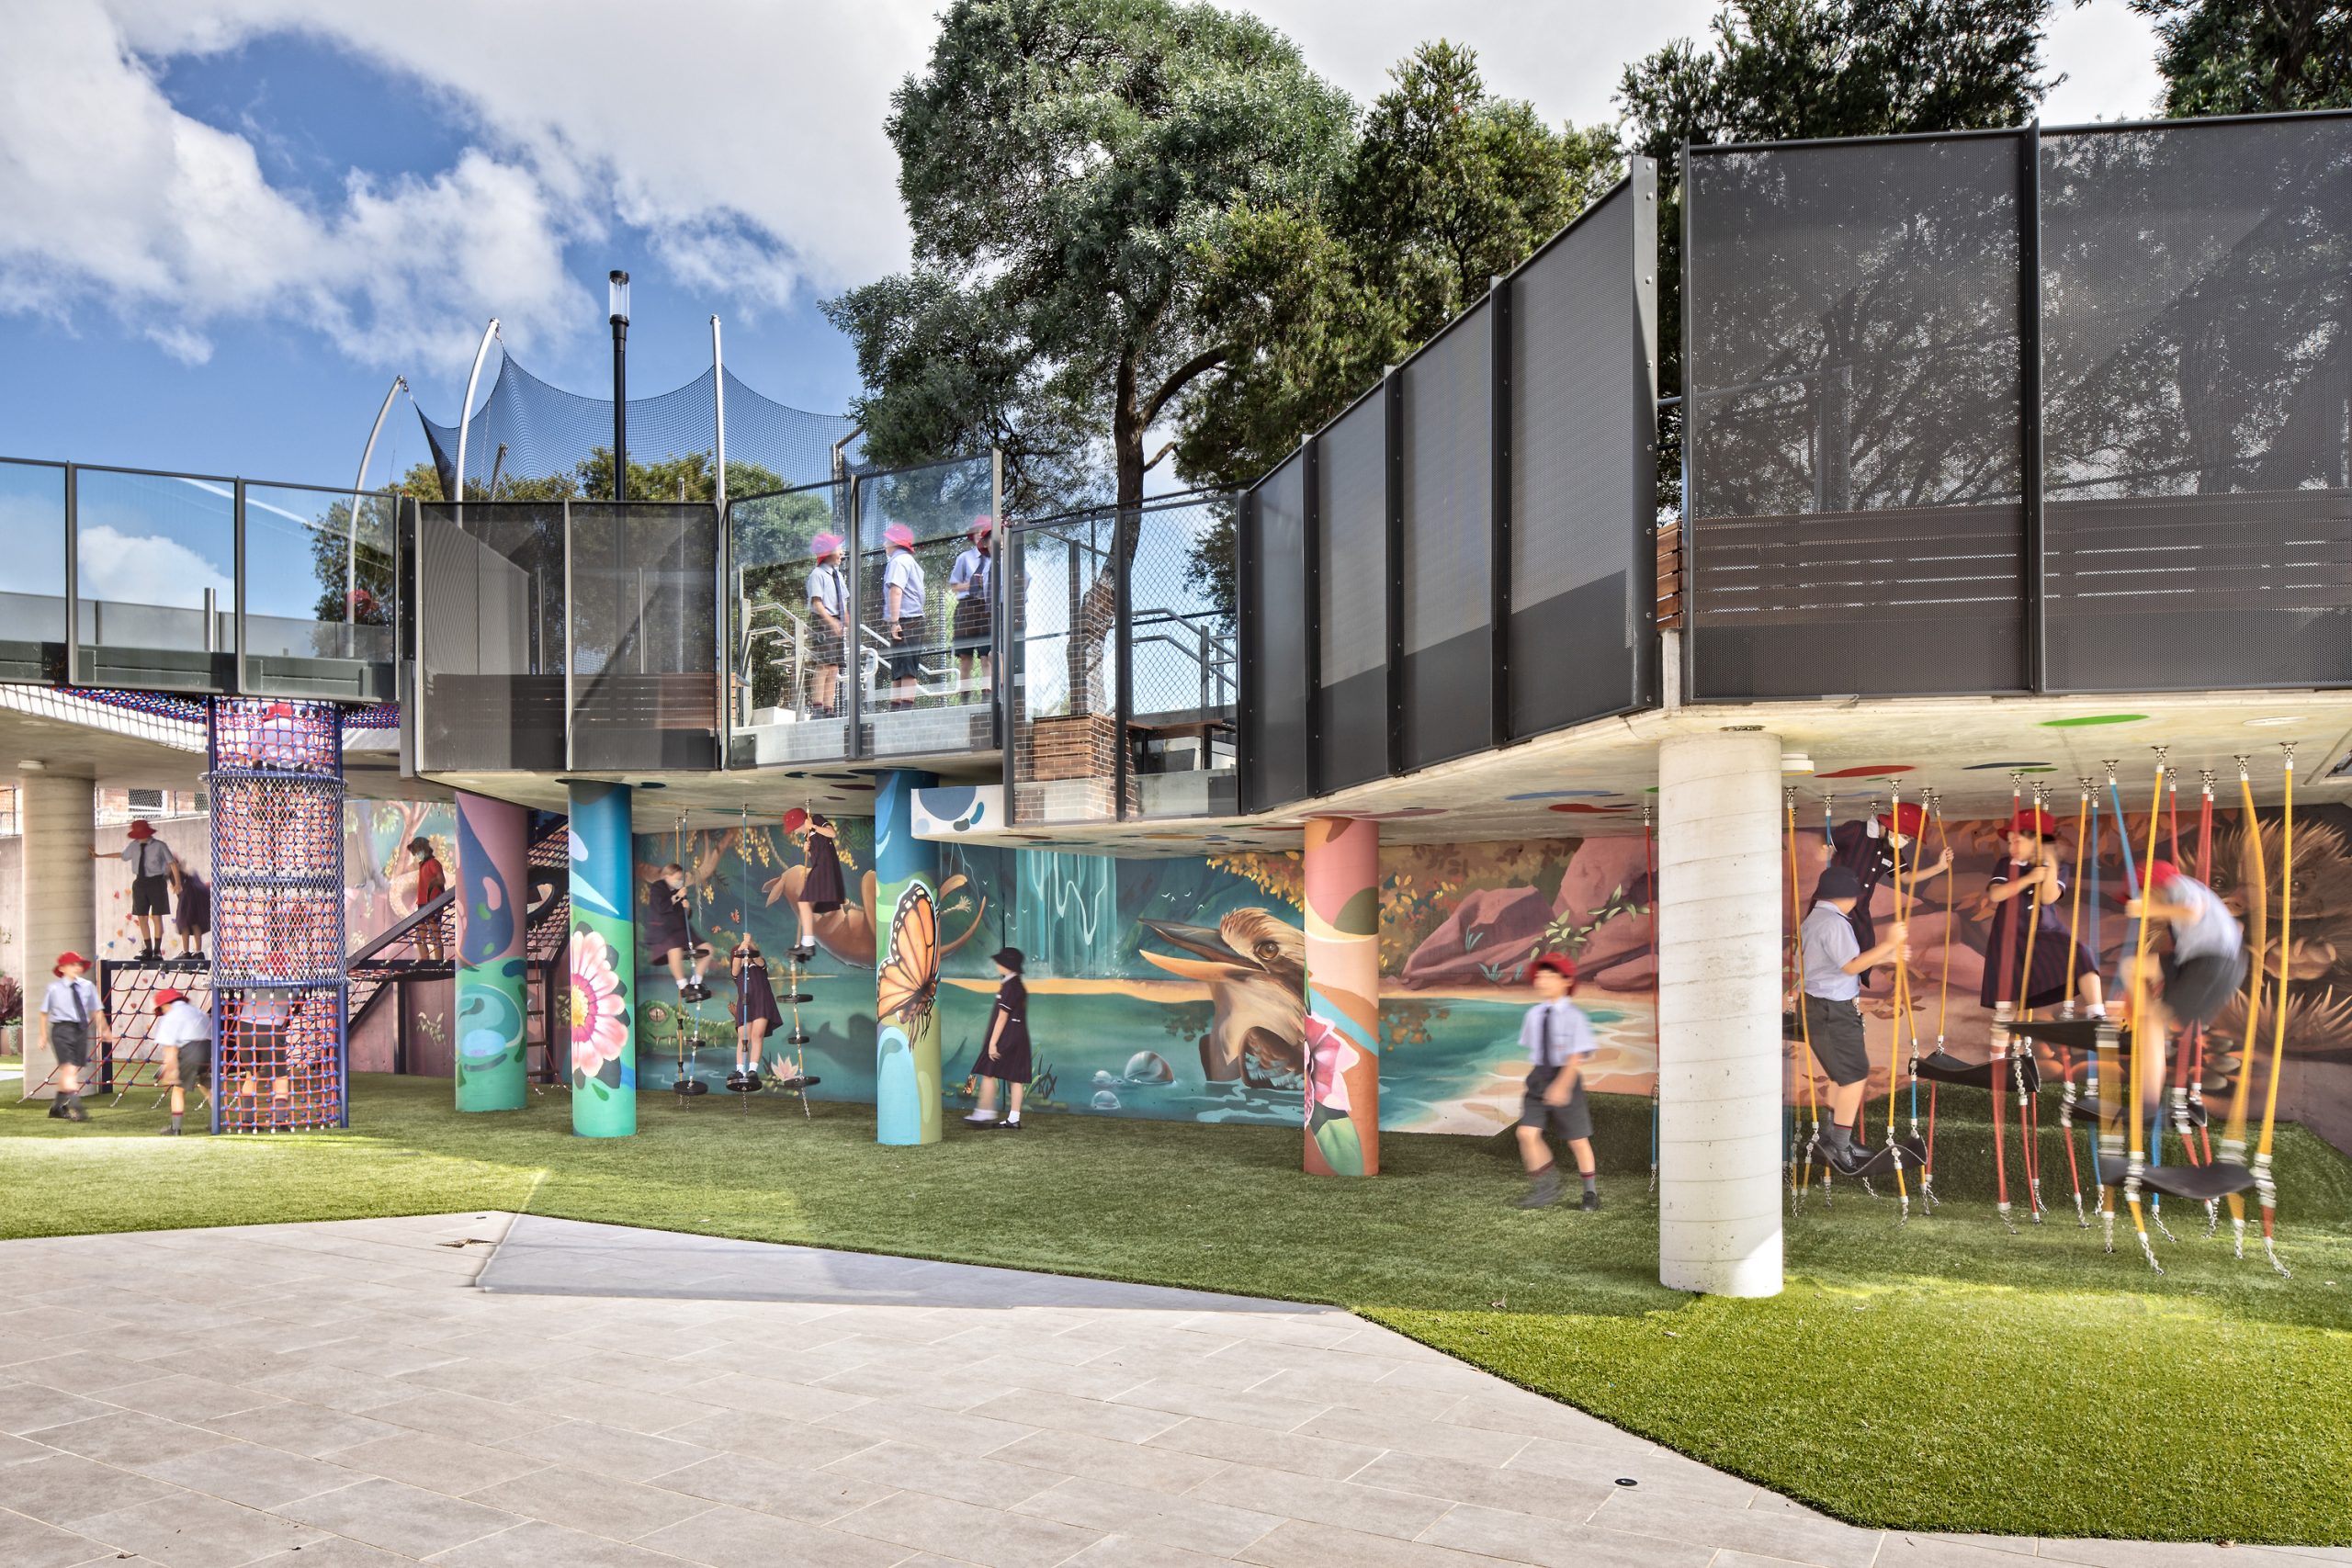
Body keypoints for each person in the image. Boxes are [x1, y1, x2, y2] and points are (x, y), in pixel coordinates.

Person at [1799, 866, 1911, 1173]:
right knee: (1855, 1075)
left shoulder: (1816, 918)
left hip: (1822, 1007)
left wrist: (1887, 956)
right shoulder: (1834, 923)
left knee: (1842, 1075)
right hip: (1833, 1010)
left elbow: (1838, 963)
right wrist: (1888, 945)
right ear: (1845, 896)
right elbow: (1850, 966)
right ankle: (1840, 1144)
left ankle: (1831, 1137)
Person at [1981, 807, 2105, 1017]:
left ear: (2037, 841)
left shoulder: (2058, 867)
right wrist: (2028, 879)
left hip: (2044, 932)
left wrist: (2050, 866)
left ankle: (2097, 1013)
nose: (2012, 847)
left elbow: (2048, 898)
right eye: (2009, 842)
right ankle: (2000, 1039)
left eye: (2017, 841)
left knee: (2082, 954)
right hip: (2009, 936)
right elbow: (1996, 894)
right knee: (2006, 1002)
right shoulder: (2007, 864)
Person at [1815, 803, 1950, 980]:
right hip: (1834, 907)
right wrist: (1824, 851)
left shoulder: (1891, 851)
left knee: (1863, 954)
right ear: (1891, 826)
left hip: (1860, 912)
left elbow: (1906, 877)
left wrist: (1939, 867)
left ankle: (1851, 993)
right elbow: (1824, 844)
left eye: (1909, 840)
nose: (1905, 842)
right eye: (1905, 836)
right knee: (1834, 958)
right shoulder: (1857, 830)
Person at [1511, 954, 1602, 1210]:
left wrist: (1562, 1084)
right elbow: (1537, 1050)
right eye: (1540, 976)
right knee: (1526, 1133)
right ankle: (1547, 1187)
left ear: (1566, 981)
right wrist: (1539, 1079)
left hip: (1566, 1077)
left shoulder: (1574, 1017)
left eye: (1550, 976)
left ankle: (1591, 1193)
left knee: (1577, 1139)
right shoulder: (1534, 1014)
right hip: (1539, 1078)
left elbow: (1576, 1056)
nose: (1543, 981)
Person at [2127, 860, 2246, 1032]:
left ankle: (2147, 1024)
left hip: (2209, 961)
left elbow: (2192, 912)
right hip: (2224, 963)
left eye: (2143, 897)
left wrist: (2148, 909)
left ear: (2152, 889)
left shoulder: (2177, 885)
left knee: (2157, 1018)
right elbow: (2237, 928)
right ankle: (2147, 1020)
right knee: (2132, 968)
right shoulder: (2196, 895)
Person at [964, 946, 1031, 1130]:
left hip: (1006, 1038)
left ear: (1008, 965)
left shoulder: (1010, 986)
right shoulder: (1016, 985)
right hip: (1018, 1037)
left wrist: (992, 1043)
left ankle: (984, 1111)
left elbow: (1002, 1016)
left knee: (988, 1070)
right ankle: (1013, 1118)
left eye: (1000, 962)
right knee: (1015, 1078)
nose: (997, 964)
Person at [40, 952, 109, 1123]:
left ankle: (56, 1108)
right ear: (62, 968)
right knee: (69, 1070)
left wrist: (105, 1029)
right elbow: (44, 1013)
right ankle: (79, 1110)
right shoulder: (54, 988)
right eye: (72, 964)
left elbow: (97, 1010)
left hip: (81, 1030)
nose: (76, 967)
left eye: (78, 964)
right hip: (61, 1030)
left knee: (69, 1071)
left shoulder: (87, 986)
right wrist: (43, 1035)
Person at [96, 818, 178, 963]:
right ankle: (148, 949)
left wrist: (177, 883)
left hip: (156, 882)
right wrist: (100, 856)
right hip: (140, 882)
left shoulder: (159, 846)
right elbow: (122, 855)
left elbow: (172, 863)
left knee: (157, 916)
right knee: (142, 917)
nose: (139, 837)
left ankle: (157, 951)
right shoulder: (134, 846)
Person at [647, 863, 714, 1003]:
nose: (680, 881)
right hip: (664, 930)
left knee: (708, 949)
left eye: (681, 879)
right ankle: (683, 986)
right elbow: (661, 907)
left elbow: (685, 915)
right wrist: (677, 896)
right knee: (674, 950)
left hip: (682, 929)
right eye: (677, 878)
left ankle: (695, 983)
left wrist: (687, 908)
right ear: (667, 876)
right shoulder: (658, 887)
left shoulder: (680, 890)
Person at [786, 809, 844, 961]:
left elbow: (832, 833)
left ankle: (808, 944)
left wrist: (812, 826)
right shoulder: (807, 834)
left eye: (795, 828)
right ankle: (807, 944)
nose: (795, 832)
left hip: (825, 868)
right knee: (804, 903)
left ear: (801, 822)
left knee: (804, 902)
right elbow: (817, 853)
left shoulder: (817, 819)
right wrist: (808, 848)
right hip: (819, 867)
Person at [152, 987, 210, 1135]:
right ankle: (218, 1122)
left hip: (190, 1051)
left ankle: (175, 1128)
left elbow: (170, 1049)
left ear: (166, 1004)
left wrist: (171, 1071)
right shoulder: (197, 1011)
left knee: (178, 1089)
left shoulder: (170, 1016)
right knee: (207, 1085)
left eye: (162, 1008)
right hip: (208, 1049)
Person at [882, 522, 927, 710]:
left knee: (906, 667)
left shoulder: (898, 561)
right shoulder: (909, 561)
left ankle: (905, 709)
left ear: (895, 542)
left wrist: (895, 622)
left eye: (887, 540)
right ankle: (896, 707)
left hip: (906, 620)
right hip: (910, 620)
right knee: (899, 666)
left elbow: (896, 590)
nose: (884, 544)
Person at [729, 938, 785, 1090]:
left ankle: (752, 1069)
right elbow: (735, 965)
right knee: (743, 1038)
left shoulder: (760, 966)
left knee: (757, 1035)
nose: (745, 955)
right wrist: (742, 946)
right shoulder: (737, 972)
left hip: (761, 1002)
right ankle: (740, 1070)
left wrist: (750, 943)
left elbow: (759, 959)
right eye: (741, 953)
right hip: (745, 1003)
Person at [947, 515, 994, 696]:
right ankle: (964, 694)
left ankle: (987, 693)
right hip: (967, 607)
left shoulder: (995, 557)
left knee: (986, 655)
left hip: (987, 607)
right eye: (976, 531)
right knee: (965, 656)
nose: (979, 534)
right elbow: (954, 585)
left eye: (983, 531)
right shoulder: (964, 558)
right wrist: (972, 584)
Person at [806, 532, 848, 718]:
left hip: (837, 623)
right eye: (839, 549)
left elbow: (843, 602)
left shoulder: (838, 576)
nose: (842, 553)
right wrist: (831, 622)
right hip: (823, 623)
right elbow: (817, 603)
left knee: (834, 667)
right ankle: (817, 708)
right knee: (823, 665)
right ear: (827, 551)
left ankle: (828, 709)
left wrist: (846, 622)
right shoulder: (817, 575)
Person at [409, 836, 447, 963]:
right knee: (419, 938)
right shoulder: (423, 865)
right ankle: (426, 963)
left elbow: (441, 879)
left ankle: (439, 964)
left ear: (424, 849)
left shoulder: (433, 863)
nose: (417, 855)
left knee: (435, 936)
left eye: (417, 851)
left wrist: (432, 886)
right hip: (422, 904)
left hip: (432, 904)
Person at [168, 864, 210, 968]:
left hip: (187, 894)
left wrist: (177, 885)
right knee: (194, 922)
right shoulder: (186, 874)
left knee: (184, 923)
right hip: (196, 893)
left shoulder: (171, 868)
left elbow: (178, 887)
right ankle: (198, 952)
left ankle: (186, 952)